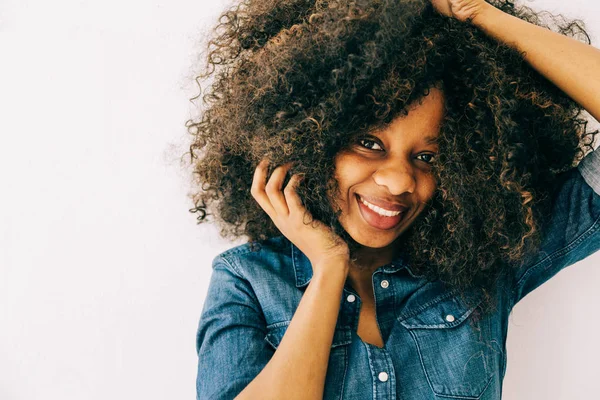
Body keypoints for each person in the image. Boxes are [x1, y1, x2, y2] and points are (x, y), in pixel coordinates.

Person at [188, 0, 600, 398]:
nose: (400, 181)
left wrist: (477, 12)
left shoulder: (486, 263)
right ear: (309, 140)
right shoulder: (248, 281)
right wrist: (330, 266)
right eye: (369, 143)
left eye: (427, 157)